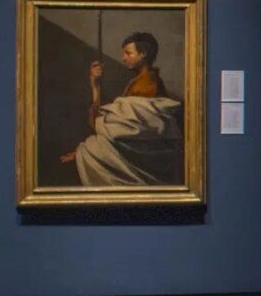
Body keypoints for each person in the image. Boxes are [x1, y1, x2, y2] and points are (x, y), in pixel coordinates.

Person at [61, 32, 184, 185]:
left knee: (85, 153)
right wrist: (95, 85)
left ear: (143, 54)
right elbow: (109, 124)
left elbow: (120, 132)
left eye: (128, 53)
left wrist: (82, 153)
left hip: (139, 165)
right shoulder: (140, 83)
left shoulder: (147, 86)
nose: (123, 58)